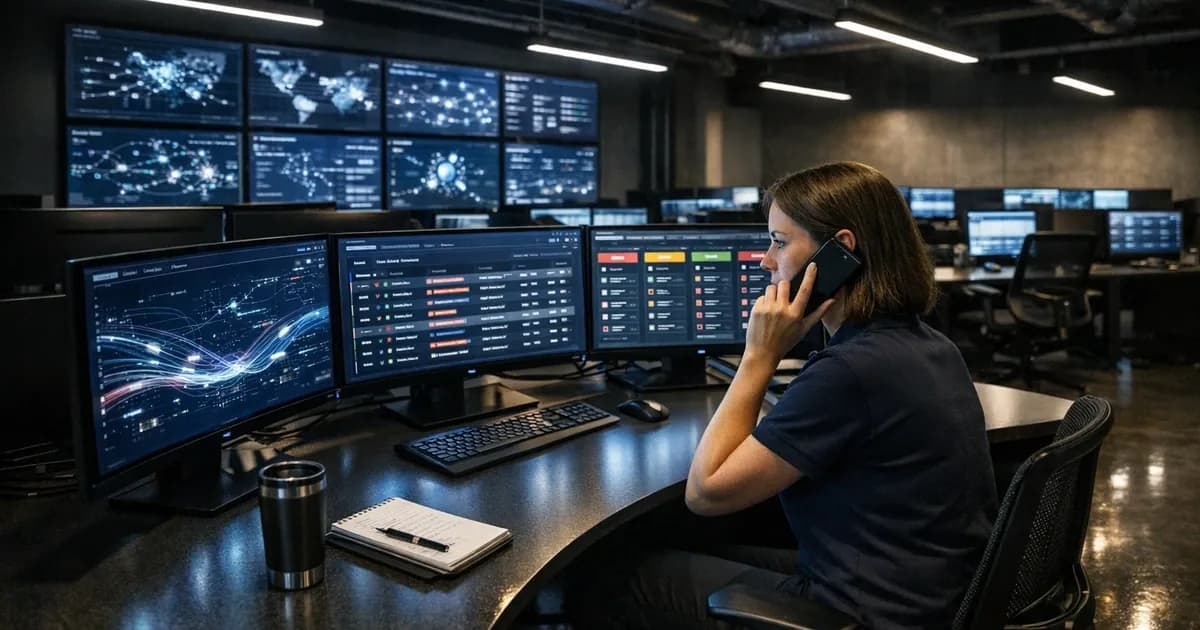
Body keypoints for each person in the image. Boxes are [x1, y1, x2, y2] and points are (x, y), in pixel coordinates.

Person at [572, 162, 997, 629]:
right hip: (922, 592)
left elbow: (706, 492)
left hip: (865, 611)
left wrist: (760, 355)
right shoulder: (931, 345)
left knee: (620, 575)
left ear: (840, 251)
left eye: (779, 241)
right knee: (703, 546)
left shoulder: (852, 371)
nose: (765, 260)